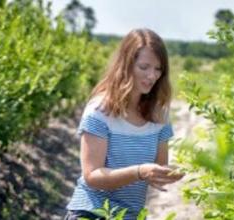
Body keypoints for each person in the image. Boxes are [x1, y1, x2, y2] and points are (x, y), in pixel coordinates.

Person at [65, 28, 184, 220]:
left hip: (131, 215)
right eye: (144, 67)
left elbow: (158, 167)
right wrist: (140, 172)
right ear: (126, 66)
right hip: (92, 212)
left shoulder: (159, 114)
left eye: (158, 69)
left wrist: (171, 173)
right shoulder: (100, 110)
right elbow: (92, 176)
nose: (152, 76)